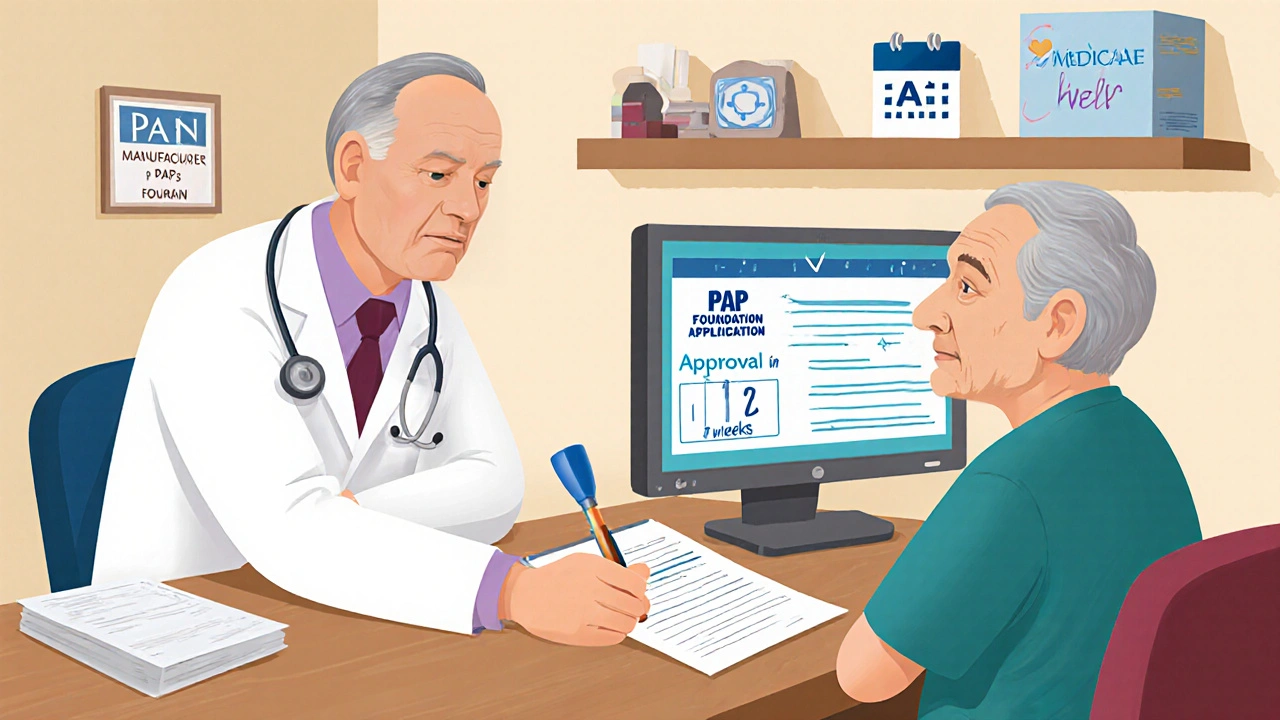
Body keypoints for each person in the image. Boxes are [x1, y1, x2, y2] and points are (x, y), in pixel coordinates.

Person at [93, 53, 650, 646]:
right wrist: (513, 591)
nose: (468, 209)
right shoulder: (218, 289)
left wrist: (344, 517)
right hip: (179, 636)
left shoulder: (427, 306)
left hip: (337, 617)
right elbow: (287, 530)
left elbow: (496, 486)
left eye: (484, 181)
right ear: (354, 167)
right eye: (439, 175)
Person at [834, 181, 1201, 718]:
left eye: (967, 287)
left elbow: (861, 677)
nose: (925, 313)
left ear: (1057, 323)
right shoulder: (1137, 437)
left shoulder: (1011, 483)